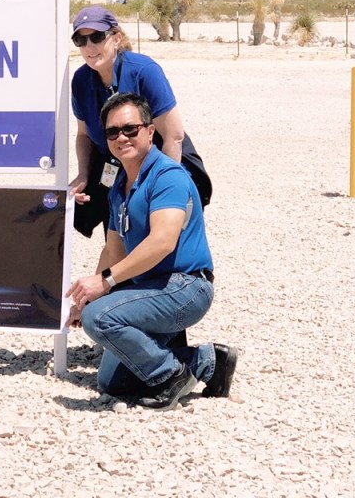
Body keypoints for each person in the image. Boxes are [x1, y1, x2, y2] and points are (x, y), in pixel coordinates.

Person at [66, 93, 236, 410]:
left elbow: (163, 242)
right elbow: (114, 246)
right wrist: (89, 292)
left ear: (149, 131)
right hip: (150, 290)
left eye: (130, 129)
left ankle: (170, 376)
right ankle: (207, 361)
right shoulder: (119, 185)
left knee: (99, 320)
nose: (121, 137)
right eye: (112, 132)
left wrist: (104, 286)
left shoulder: (168, 177)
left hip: (185, 288)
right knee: (112, 382)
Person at [68, 5, 211, 240]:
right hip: (116, 167)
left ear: (116, 38)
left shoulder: (144, 71)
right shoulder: (81, 80)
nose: (89, 47)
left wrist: (160, 187)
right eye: (80, 40)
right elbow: (84, 135)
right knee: (117, 240)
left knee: (159, 237)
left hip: (164, 161)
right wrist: (83, 174)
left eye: (96, 37)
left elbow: (174, 136)